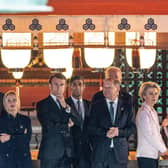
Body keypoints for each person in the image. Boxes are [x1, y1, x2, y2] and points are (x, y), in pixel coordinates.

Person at [88, 79, 136, 168]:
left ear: (117, 89)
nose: (105, 90)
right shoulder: (96, 105)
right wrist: (105, 132)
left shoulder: (127, 106)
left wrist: (119, 132)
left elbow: (132, 128)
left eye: (109, 87)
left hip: (119, 154)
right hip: (100, 154)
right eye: (104, 87)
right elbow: (90, 128)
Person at [37, 73, 76, 168]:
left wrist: (65, 107)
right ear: (50, 85)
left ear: (65, 87)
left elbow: (76, 122)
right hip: (50, 153)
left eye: (62, 85)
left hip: (67, 153)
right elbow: (48, 126)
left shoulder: (68, 104)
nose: (59, 88)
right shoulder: (42, 104)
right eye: (56, 84)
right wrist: (66, 126)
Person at [136, 81, 167, 168]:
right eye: (151, 94)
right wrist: (163, 149)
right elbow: (149, 135)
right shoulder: (143, 112)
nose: (154, 96)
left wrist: (161, 148)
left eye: (156, 93)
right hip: (146, 155)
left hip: (153, 154)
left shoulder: (152, 111)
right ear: (144, 96)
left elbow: (156, 134)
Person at [0, 90, 32, 168]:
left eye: (14, 100)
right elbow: (2, 142)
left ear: (18, 102)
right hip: (7, 162)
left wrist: (10, 137)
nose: (12, 103)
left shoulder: (26, 120)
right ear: (5, 103)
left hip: (24, 161)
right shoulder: (1, 121)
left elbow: (26, 140)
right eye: (9, 101)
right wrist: (20, 136)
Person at [66, 75, 92, 168]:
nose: (77, 87)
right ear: (70, 86)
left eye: (80, 84)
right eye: (74, 84)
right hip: (70, 150)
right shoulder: (64, 104)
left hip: (87, 151)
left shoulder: (89, 105)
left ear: (84, 87)